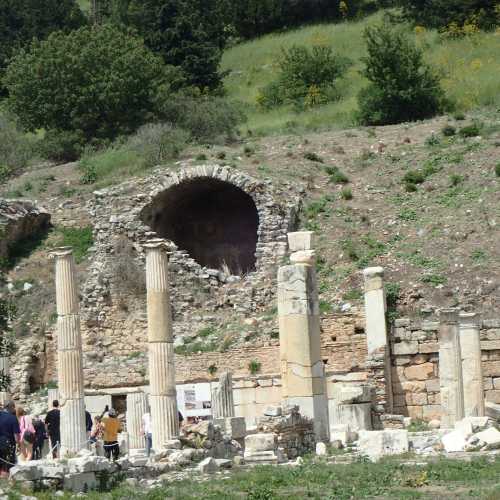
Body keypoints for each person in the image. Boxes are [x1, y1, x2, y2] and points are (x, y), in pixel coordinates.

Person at [0, 401, 20, 477]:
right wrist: (19, 444)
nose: (14, 409)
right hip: (8, 444)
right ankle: (6, 483)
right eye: (14, 407)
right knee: (8, 466)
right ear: (10, 407)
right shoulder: (13, 418)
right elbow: (16, 435)